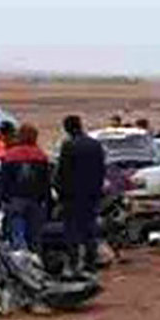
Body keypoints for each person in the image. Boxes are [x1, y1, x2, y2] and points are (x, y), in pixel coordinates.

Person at [54, 115, 107, 276]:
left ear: (68, 128)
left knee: (72, 231)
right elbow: (101, 170)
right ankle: (91, 263)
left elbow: (62, 172)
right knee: (89, 229)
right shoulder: (95, 145)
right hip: (91, 194)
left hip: (72, 196)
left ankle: (74, 263)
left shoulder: (68, 146)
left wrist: (60, 191)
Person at [0, 123, 50, 251]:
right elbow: (45, 181)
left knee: (16, 234)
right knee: (34, 236)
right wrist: (45, 200)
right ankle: (34, 259)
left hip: (16, 200)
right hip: (35, 201)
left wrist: (3, 198)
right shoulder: (41, 155)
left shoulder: (10, 155)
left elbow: (4, 180)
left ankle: (19, 259)